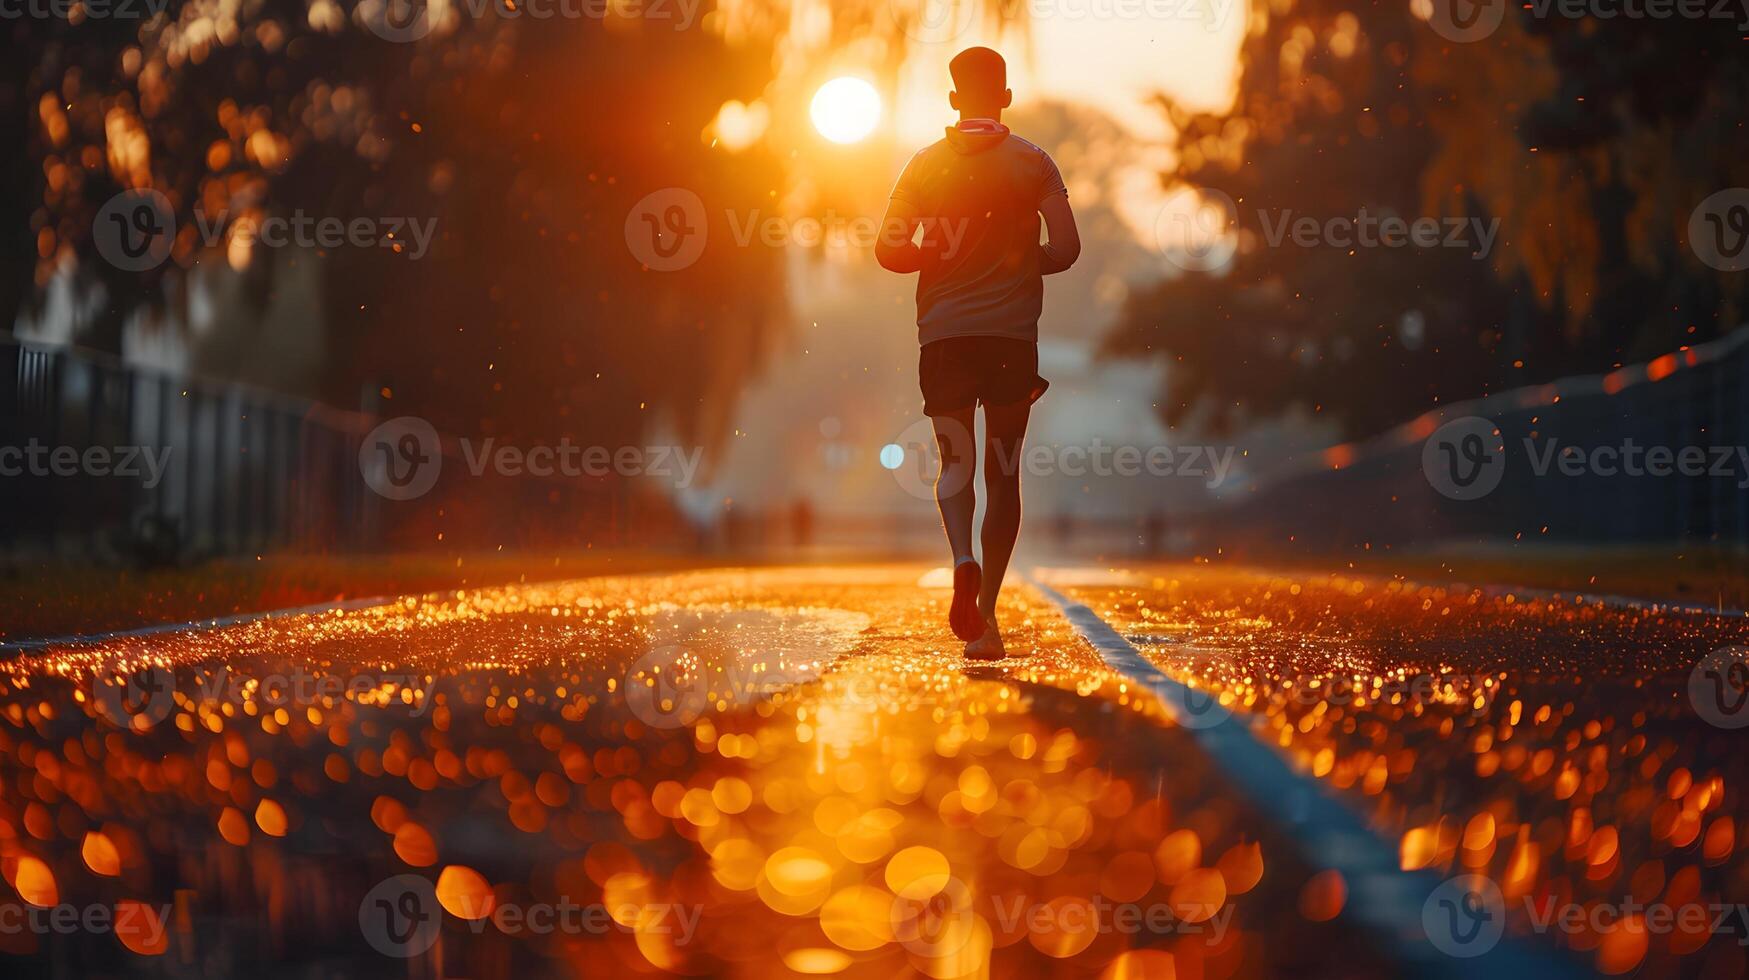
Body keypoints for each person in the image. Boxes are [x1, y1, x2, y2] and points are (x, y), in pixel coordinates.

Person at [876, 46, 1080, 660]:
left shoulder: (922, 167)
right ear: (1007, 98)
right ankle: (986, 617)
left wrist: (935, 257)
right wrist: (1019, 269)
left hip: (944, 336)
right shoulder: (1035, 164)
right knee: (1004, 472)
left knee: (954, 463)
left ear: (953, 97)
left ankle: (960, 557)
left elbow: (889, 250)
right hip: (1011, 340)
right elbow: (1067, 248)